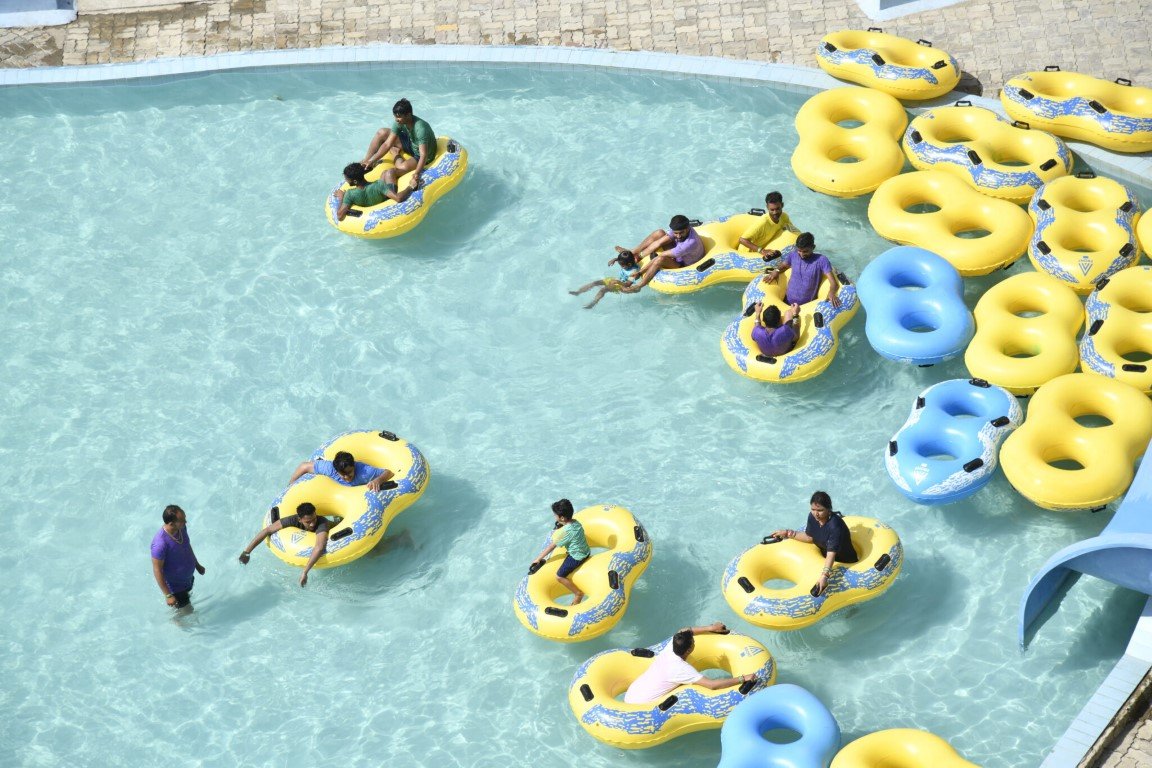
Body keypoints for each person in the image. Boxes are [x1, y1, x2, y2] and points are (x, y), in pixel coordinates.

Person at [623, 622, 757, 704]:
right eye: (693, 642)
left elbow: (684, 630)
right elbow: (712, 685)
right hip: (641, 705)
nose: (694, 642)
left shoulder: (672, 646)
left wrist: (712, 627)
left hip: (631, 692)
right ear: (689, 650)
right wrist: (743, 678)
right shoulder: (681, 669)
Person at [769, 491, 860, 596]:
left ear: (829, 509)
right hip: (823, 555)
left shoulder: (835, 526)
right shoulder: (812, 517)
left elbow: (831, 553)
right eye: (813, 509)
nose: (816, 513)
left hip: (846, 562)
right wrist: (788, 533)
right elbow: (809, 537)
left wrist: (824, 576)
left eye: (820, 510)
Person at [238, 502, 331, 587]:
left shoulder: (322, 522)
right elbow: (267, 530)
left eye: (314, 519)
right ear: (299, 519)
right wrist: (247, 552)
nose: (312, 524)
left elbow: (319, 547)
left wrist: (305, 572)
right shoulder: (293, 520)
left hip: (331, 529)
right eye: (308, 522)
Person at [360, 98, 438, 188]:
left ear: (408, 115)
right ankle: (366, 161)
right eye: (395, 116)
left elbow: (423, 155)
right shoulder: (399, 122)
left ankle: (395, 154)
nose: (396, 119)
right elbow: (387, 144)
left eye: (399, 116)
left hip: (422, 154)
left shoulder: (420, 129)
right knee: (381, 132)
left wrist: (416, 174)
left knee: (401, 167)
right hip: (411, 142)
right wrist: (371, 160)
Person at [529, 499, 591, 605]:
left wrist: (538, 559)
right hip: (586, 551)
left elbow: (552, 546)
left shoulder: (564, 532)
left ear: (562, 518)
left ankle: (578, 593)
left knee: (559, 576)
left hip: (577, 557)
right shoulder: (576, 522)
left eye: (555, 515)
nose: (554, 517)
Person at [623, 214, 706, 287]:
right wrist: (641, 256)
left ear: (688, 228)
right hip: (680, 254)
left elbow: (661, 256)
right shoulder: (679, 229)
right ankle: (635, 253)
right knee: (659, 233)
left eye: (681, 233)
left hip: (685, 265)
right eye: (676, 233)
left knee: (660, 260)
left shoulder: (689, 244)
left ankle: (639, 285)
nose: (678, 236)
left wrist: (640, 272)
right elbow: (659, 242)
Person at [764, 232, 841, 308]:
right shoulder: (793, 255)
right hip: (786, 301)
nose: (802, 254)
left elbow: (833, 283)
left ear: (813, 247)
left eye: (805, 251)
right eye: (799, 250)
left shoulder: (821, 260)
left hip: (805, 307)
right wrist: (776, 270)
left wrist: (832, 293)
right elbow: (784, 265)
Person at [150, 504, 206, 611]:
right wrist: (168, 595)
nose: (186, 522)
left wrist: (197, 565)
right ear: (171, 523)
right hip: (176, 587)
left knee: (186, 606)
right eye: (182, 520)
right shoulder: (160, 544)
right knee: (187, 613)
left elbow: (187, 545)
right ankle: (178, 623)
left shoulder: (181, 528)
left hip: (187, 580)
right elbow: (157, 570)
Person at [334, 162, 417, 221]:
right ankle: (410, 169)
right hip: (382, 194)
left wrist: (341, 197)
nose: (346, 180)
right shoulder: (379, 185)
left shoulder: (350, 194)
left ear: (355, 181)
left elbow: (339, 216)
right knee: (389, 172)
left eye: (347, 179)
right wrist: (410, 186)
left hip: (376, 194)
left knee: (384, 173)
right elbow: (398, 198)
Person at [288, 450, 395, 492]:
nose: (347, 477)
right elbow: (304, 466)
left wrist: (378, 480)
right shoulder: (330, 468)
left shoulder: (365, 471)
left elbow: (388, 472)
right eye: (342, 474)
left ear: (354, 466)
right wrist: (290, 485)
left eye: (349, 473)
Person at [569, 250, 642, 309]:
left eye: (622, 265)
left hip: (622, 285)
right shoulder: (629, 262)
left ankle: (593, 303)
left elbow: (628, 284)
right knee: (595, 283)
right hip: (617, 280)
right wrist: (614, 259)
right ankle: (578, 292)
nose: (621, 266)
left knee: (603, 290)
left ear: (629, 264)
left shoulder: (634, 272)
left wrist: (618, 282)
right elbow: (624, 259)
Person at [738, 191, 800, 259]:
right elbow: (742, 239)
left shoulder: (784, 217)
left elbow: (793, 230)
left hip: (763, 246)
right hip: (747, 252)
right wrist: (762, 251)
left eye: (777, 209)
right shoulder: (763, 222)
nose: (775, 213)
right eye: (772, 210)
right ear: (767, 207)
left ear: (782, 205)